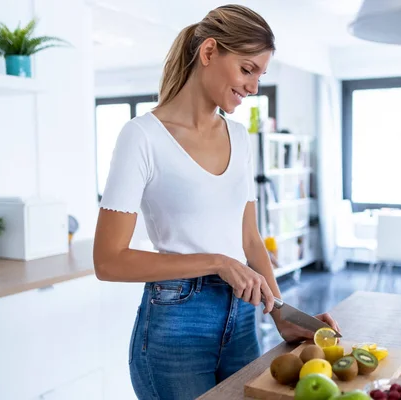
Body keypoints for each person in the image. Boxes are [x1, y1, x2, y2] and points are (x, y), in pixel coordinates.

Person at [93, 4, 340, 400]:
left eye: (261, 75)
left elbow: (250, 239)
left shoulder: (240, 137)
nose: (254, 87)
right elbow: (108, 261)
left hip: (243, 315)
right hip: (177, 320)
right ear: (209, 53)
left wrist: (281, 311)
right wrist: (219, 262)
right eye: (247, 70)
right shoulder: (141, 136)